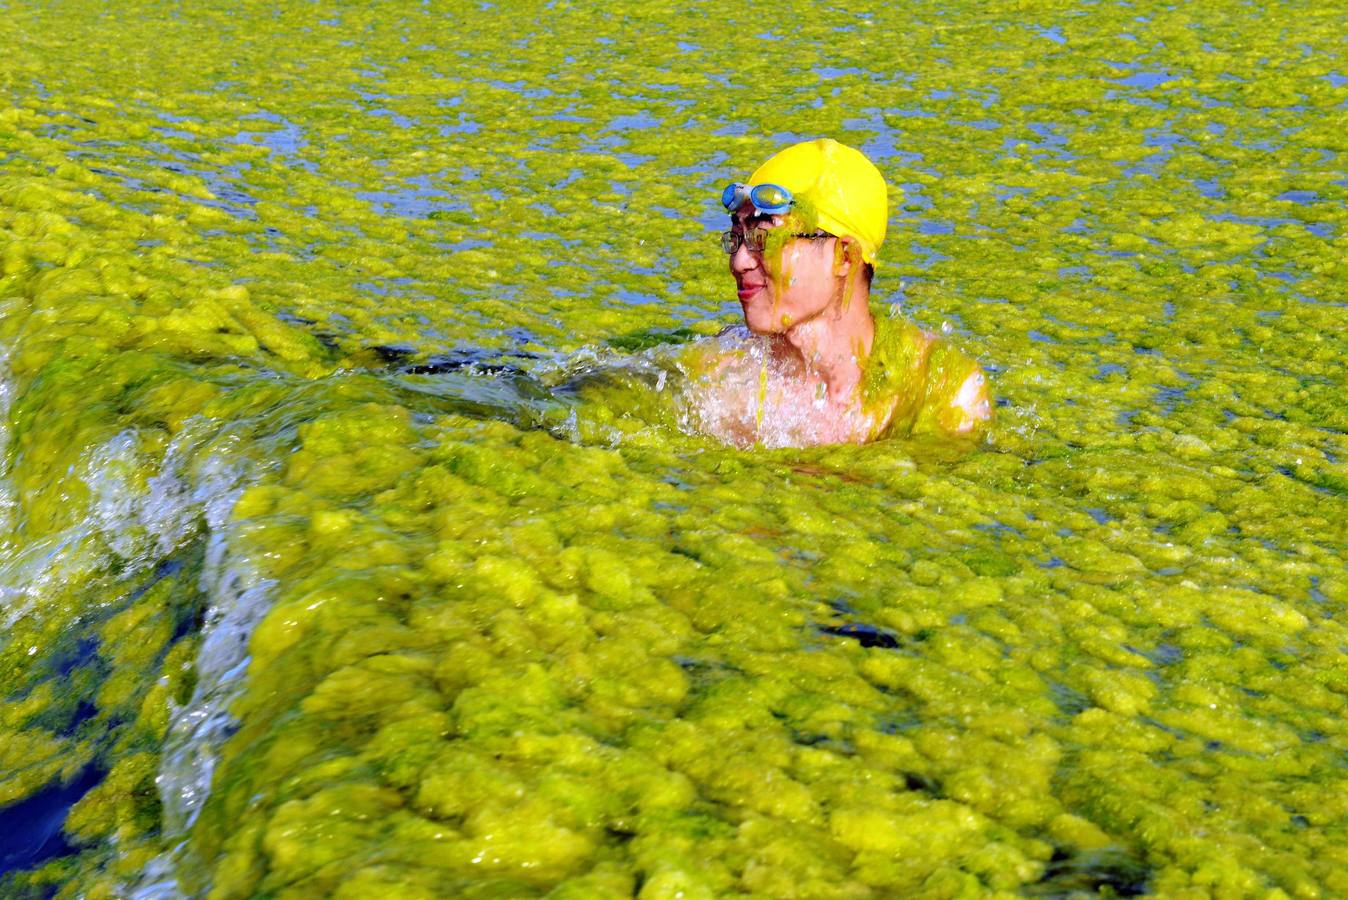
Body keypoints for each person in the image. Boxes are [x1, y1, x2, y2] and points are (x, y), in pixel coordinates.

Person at [686, 138, 991, 447]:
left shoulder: (937, 391)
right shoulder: (722, 378)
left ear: (844, 257)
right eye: (737, 238)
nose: (739, 262)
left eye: (764, 239)